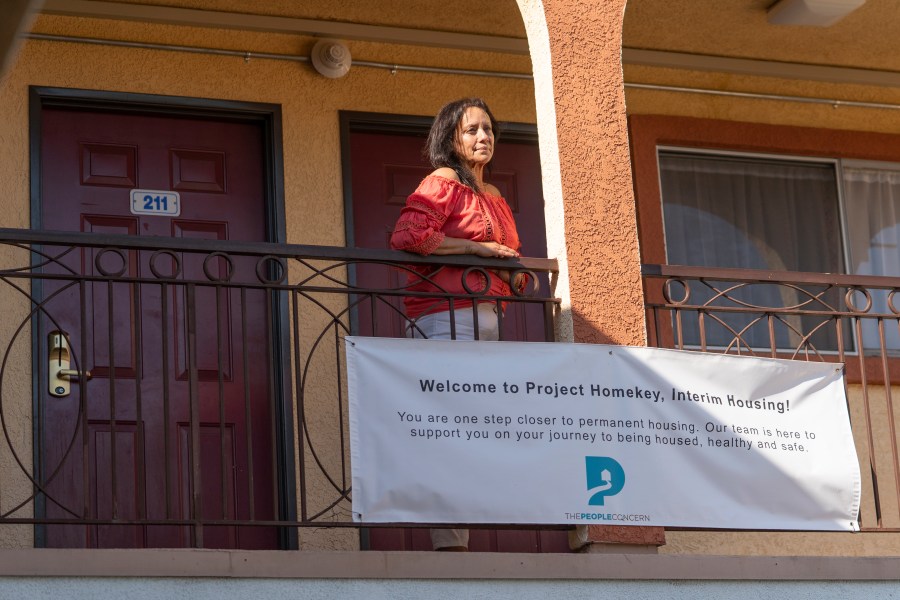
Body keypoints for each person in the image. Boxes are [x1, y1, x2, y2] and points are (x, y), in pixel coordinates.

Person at [390, 97, 526, 551]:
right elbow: (408, 235)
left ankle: (462, 533)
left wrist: (513, 272)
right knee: (450, 428)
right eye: (472, 130)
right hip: (442, 315)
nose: (484, 137)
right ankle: (449, 542)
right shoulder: (444, 180)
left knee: (477, 427)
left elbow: (511, 255)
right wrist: (476, 250)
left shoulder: (496, 196)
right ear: (451, 138)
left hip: (487, 318)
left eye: (488, 129)